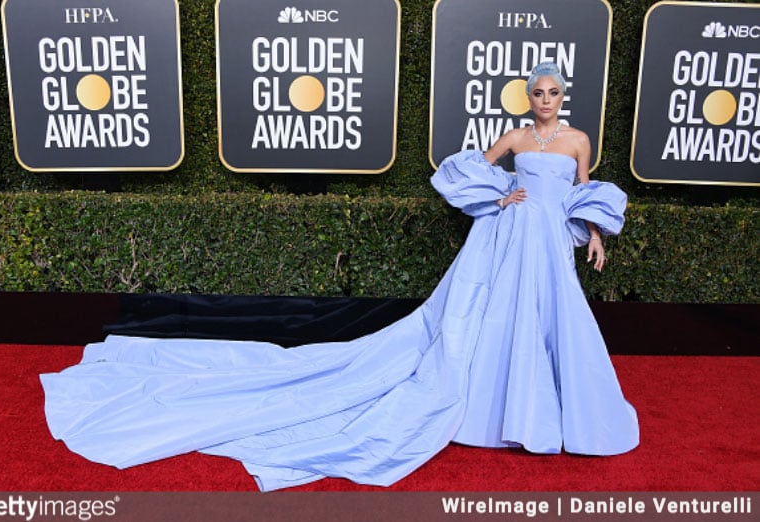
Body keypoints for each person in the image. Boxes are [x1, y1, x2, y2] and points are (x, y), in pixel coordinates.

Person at [40, 62, 639, 492]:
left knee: (550, 322)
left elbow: (583, 190)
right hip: (507, 241)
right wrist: (506, 191)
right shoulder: (514, 135)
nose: (545, 99)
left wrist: (591, 235)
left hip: (550, 248)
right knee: (497, 320)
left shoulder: (581, 140)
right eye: (537, 91)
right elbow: (468, 171)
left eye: (553, 92)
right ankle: (491, 407)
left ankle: (542, 412)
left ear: (565, 95)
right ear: (527, 95)